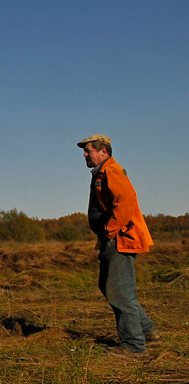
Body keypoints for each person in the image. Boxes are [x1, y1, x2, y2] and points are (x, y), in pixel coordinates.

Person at [79, 134, 159, 357]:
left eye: (88, 150)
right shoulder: (102, 172)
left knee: (120, 293)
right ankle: (146, 330)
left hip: (119, 239)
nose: (84, 155)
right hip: (113, 239)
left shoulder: (112, 171)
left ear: (103, 151)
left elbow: (126, 202)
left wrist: (108, 231)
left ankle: (134, 345)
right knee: (109, 287)